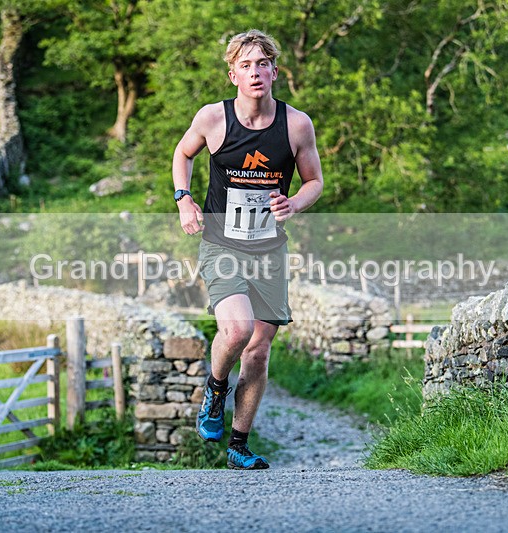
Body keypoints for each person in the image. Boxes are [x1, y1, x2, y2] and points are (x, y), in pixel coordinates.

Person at [171, 29, 323, 470]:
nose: (255, 73)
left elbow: (314, 181)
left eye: (262, 65)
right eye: (245, 65)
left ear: (275, 72)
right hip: (222, 243)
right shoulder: (213, 119)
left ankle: (239, 443)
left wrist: (294, 202)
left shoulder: (296, 125)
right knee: (236, 331)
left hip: (269, 250)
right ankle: (216, 388)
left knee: (258, 350)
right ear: (233, 74)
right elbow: (183, 155)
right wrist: (185, 200)